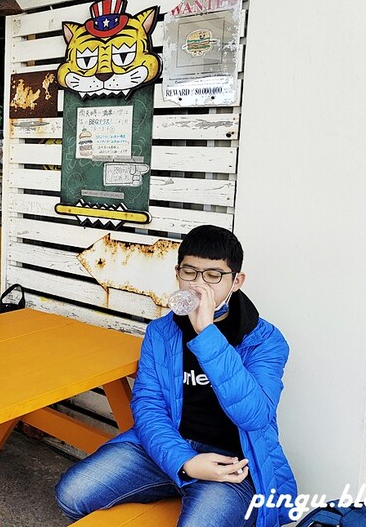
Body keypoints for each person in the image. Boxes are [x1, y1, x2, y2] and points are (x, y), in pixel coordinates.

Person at [55, 225, 296, 527]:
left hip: (234, 463)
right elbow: (147, 406)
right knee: (72, 493)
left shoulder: (265, 340)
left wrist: (207, 333)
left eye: (213, 275)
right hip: (169, 446)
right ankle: (182, 482)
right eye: (190, 272)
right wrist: (185, 463)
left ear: (237, 281)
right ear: (177, 273)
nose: (199, 285)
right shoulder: (161, 332)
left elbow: (255, 416)